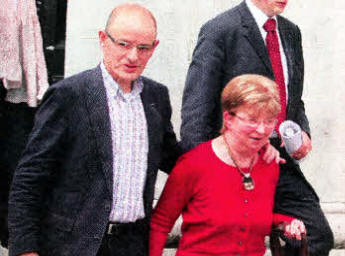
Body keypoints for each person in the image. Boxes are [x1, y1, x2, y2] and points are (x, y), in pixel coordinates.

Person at [8, 3, 179, 256]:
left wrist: (232, 150)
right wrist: (25, 249)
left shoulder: (156, 97)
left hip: (132, 246)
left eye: (143, 48)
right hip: (72, 246)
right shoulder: (69, 96)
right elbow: (29, 180)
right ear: (103, 39)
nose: (133, 56)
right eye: (123, 44)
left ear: (154, 48)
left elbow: (173, 157)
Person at [180, 0, 333, 255]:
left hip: (279, 161)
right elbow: (196, 111)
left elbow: (293, 99)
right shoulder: (220, 30)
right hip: (232, 163)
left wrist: (301, 130)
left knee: (315, 237)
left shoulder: (291, 32)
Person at [150, 74, 306, 256]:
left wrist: (286, 222)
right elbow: (160, 223)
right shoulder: (194, 163)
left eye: (269, 121)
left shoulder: (269, 164)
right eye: (252, 120)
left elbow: (248, 217)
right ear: (228, 118)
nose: (262, 129)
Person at [0, 0, 49, 248]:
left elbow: (29, 35)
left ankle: (13, 235)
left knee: (14, 161)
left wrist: (36, 81)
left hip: (12, 83)